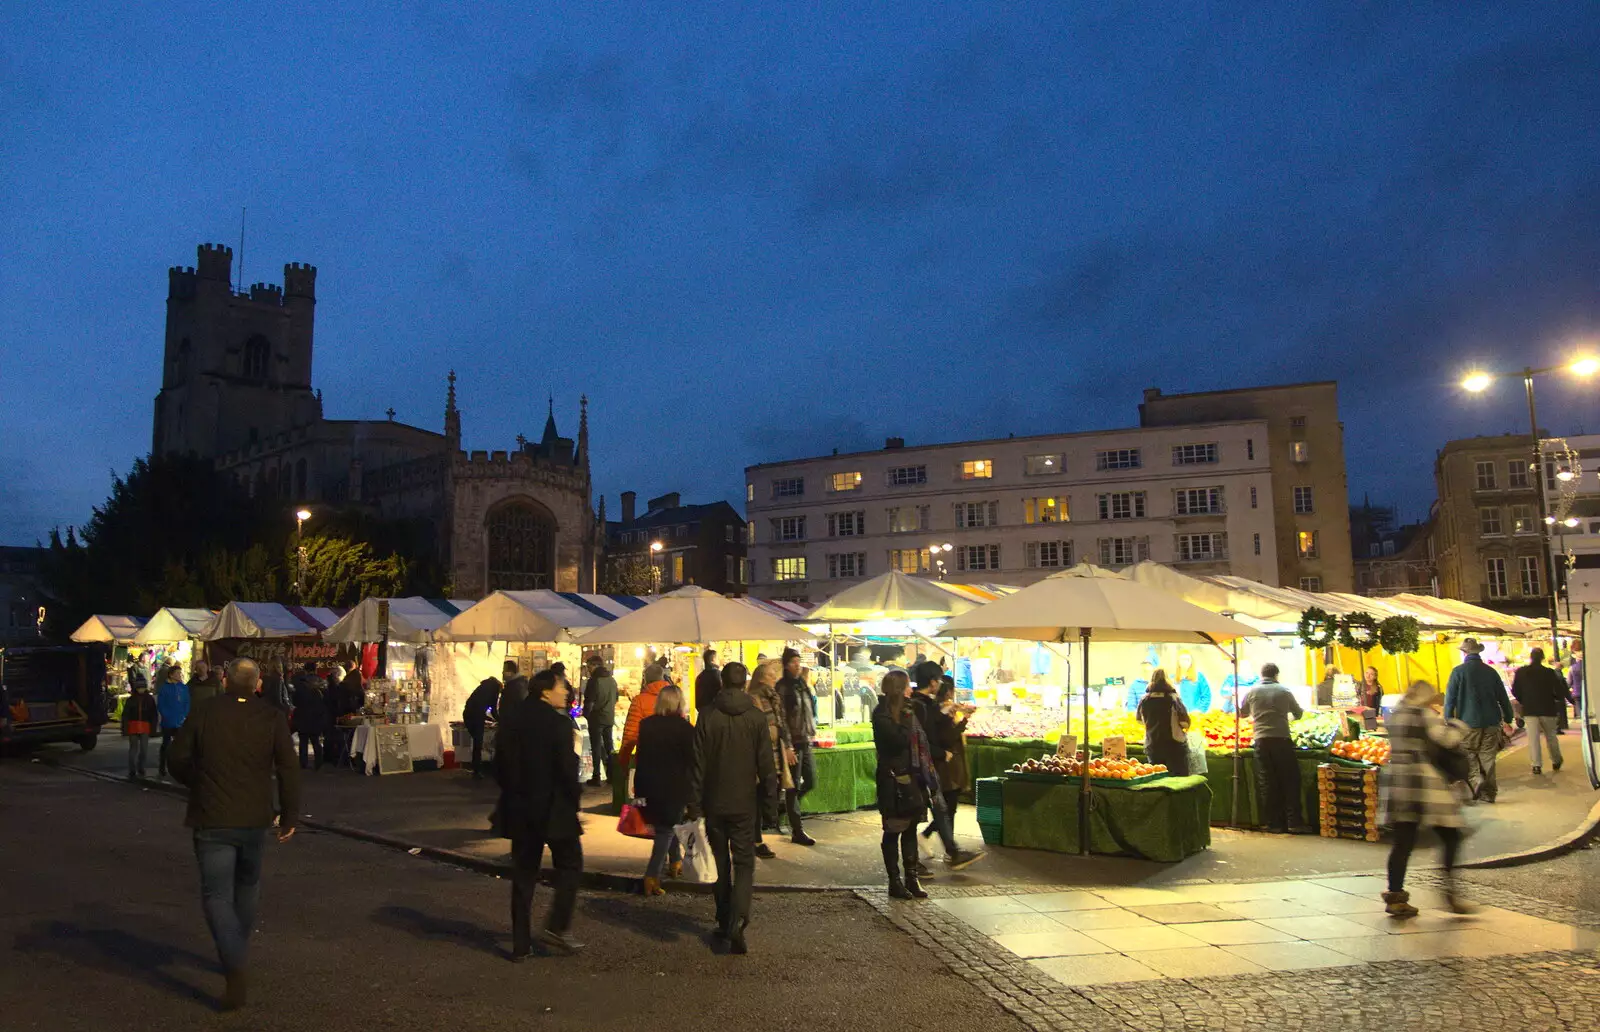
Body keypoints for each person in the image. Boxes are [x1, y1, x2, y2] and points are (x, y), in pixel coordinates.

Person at [167, 658, 301, 1011]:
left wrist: (198, 782)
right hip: (255, 816)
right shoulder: (271, 717)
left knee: (216, 895)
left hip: (213, 816)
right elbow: (289, 767)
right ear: (257, 684)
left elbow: (177, 757)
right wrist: (289, 815)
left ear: (226, 681)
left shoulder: (205, 712)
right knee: (247, 886)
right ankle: (235, 950)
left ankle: (234, 960)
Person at [686, 662, 774, 954]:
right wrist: (770, 805)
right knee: (745, 863)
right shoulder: (756, 718)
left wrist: (694, 804)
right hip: (744, 802)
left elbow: (697, 764)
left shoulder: (708, 716)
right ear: (744, 682)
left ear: (722, 682)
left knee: (720, 862)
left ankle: (725, 919)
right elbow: (766, 765)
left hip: (714, 801)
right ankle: (738, 920)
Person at [495, 670, 584, 958]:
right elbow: (567, 769)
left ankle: (521, 943)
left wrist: (513, 791)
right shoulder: (557, 723)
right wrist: (575, 799)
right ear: (545, 691)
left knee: (523, 876)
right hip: (554, 808)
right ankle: (557, 925)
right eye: (562, 687)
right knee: (570, 864)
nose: (567, 692)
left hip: (521, 807)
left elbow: (500, 763)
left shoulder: (512, 719)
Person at [1378, 680, 1473, 918]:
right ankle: (1449, 890)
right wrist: (1458, 725)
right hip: (1423, 782)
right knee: (1451, 835)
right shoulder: (1424, 715)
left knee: (1403, 842)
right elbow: (1448, 739)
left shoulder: (1396, 714)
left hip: (1398, 782)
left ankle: (1396, 897)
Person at [908, 661, 982, 869]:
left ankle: (952, 852)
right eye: (939, 680)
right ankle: (912, 863)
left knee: (940, 809)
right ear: (933, 682)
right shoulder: (918, 706)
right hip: (924, 767)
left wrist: (945, 712)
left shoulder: (925, 705)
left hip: (930, 766)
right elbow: (923, 739)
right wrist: (943, 752)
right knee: (915, 816)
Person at [873, 670, 935, 899]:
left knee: (910, 828)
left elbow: (924, 730)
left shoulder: (910, 710)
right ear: (900, 688)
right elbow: (897, 742)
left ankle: (912, 878)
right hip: (894, 780)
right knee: (893, 830)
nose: (912, 689)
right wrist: (907, 719)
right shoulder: (882, 714)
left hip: (913, 778)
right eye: (908, 686)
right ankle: (894, 881)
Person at [634, 684, 695, 896]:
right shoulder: (685, 728)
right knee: (666, 829)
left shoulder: (646, 725)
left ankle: (675, 862)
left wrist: (639, 790)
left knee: (669, 825)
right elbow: (692, 761)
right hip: (675, 787)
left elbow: (640, 758)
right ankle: (652, 875)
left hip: (650, 785)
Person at [1443, 638, 1515, 802]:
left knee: (1469, 755)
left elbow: (1450, 699)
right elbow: (1503, 698)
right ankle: (1489, 794)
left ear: (1464, 652)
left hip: (1468, 724)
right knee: (1488, 757)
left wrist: (1448, 719)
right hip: (1491, 722)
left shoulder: (1458, 672)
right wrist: (1509, 717)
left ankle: (1476, 779)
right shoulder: (1491, 672)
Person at [1239, 663, 1307, 833]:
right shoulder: (1284, 691)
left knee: (1267, 782)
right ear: (1276, 675)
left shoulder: (1252, 692)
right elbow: (1298, 713)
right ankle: (1293, 822)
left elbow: (1243, 713)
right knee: (1290, 780)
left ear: (1261, 675)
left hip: (1261, 741)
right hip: (1282, 739)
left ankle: (1273, 824)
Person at [921, 678, 977, 859]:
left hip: (949, 767)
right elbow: (947, 738)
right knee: (946, 808)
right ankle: (945, 847)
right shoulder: (937, 713)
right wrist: (963, 721)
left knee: (947, 808)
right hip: (946, 768)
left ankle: (948, 847)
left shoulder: (941, 711)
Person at [746, 660, 793, 859]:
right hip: (758, 755)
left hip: (774, 754)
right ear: (764, 678)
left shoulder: (774, 698)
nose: (775, 679)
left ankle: (757, 836)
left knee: (765, 794)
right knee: (756, 797)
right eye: (772, 676)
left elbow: (781, 723)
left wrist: (788, 746)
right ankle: (755, 839)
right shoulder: (753, 698)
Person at [775, 648, 817, 847]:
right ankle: (797, 830)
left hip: (806, 739)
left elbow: (808, 712)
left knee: (811, 780)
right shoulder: (783, 687)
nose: (797, 665)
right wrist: (788, 745)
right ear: (785, 665)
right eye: (793, 662)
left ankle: (785, 808)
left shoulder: (802, 684)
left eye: (798, 661)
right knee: (794, 786)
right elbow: (782, 718)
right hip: (794, 742)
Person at [1511, 647, 1568, 775]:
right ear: (1542, 658)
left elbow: (1515, 690)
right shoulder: (1549, 672)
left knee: (1533, 739)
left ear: (1531, 657)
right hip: (1548, 709)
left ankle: (1536, 765)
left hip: (1530, 710)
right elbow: (1558, 691)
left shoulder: (1521, 672)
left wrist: (1524, 700)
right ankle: (1556, 760)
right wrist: (1555, 699)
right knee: (1551, 737)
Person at [1135, 668, 1191, 777]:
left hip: (1152, 745)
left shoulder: (1145, 699)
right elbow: (1185, 722)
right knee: (1178, 779)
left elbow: (1139, 720)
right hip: (1174, 746)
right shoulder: (1173, 698)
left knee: (1157, 777)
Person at [582, 656, 619, 786]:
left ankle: (596, 776)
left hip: (596, 718)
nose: (588, 669)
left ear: (595, 665)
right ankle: (612, 775)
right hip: (609, 717)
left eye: (589, 666)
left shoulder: (594, 681)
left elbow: (589, 702)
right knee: (610, 747)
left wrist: (586, 714)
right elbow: (616, 698)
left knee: (596, 747)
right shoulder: (612, 680)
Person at [290, 662, 328, 770]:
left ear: (305, 670)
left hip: (303, 715)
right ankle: (319, 762)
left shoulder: (300, 683)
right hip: (317, 716)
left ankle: (303, 763)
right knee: (316, 740)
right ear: (315, 670)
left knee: (303, 741)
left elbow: (295, 700)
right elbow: (326, 700)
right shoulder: (322, 683)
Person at [155, 663, 191, 777]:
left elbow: (187, 702)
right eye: (177, 673)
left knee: (180, 746)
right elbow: (161, 704)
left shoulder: (183, 687)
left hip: (181, 721)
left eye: (181, 673)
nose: (180, 675)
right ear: (171, 675)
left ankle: (178, 768)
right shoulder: (165, 688)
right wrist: (167, 716)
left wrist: (184, 715)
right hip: (168, 721)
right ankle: (162, 766)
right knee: (166, 744)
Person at [462, 674, 501, 778]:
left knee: (476, 742)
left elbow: (475, 704)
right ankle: (477, 769)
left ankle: (476, 767)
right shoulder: (495, 689)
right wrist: (500, 720)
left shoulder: (482, 687)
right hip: (476, 716)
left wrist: (487, 718)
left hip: (467, 714)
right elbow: (492, 709)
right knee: (478, 743)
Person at [121, 674, 159, 780]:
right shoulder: (134, 700)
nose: (141, 690)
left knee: (142, 749)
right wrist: (125, 729)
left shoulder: (145, 699)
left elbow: (153, 715)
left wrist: (153, 728)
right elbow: (126, 715)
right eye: (139, 687)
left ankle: (139, 768)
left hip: (142, 726)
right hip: (136, 726)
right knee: (136, 749)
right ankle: (134, 769)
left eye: (142, 687)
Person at [694, 648, 721, 712]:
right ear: (713, 660)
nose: (720, 660)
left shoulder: (700, 677)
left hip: (703, 712)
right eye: (718, 658)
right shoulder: (719, 675)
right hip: (716, 713)